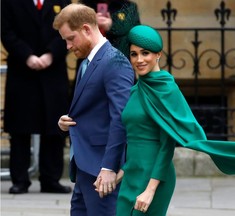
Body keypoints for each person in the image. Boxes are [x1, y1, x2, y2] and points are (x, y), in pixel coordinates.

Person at [111, 25, 235, 215]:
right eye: (134, 54)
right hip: (131, 175)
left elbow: (166, 145)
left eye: (145, 53)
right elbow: (136, 142)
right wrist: (119, 175)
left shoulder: (167, 90)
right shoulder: (135, 90)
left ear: (158, 54)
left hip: (155, 178)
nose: (139, 59)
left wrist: (150, 190)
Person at [53, 3, 134, 216]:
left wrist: (109, 168)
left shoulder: (115, 61)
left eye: (71, 39)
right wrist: (66, 122)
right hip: (84, 167)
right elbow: (92, 109)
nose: (68, 46)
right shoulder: (86, 62)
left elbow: (121, 118)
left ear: (87, 29)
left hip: (101, 170)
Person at [1, 0, 72, 194]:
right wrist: (27, 56)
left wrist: (51, 54)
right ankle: (20, 180)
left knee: (55, 125)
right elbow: (6, 32)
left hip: (54, 70)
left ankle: (51, 179)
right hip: (22, 70)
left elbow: (70, 28)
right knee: (20, 127)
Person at [70, 0, 140, 100]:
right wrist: (92, 25)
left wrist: (112, 26)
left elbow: (135, 35)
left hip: (120, 67)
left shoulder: (128, 6)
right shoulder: (82, 6)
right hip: (89, 67)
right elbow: (73, 34)